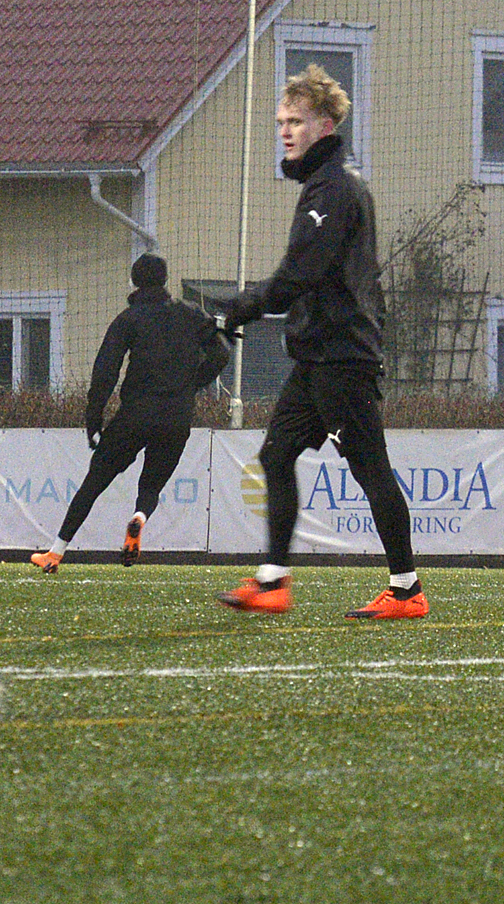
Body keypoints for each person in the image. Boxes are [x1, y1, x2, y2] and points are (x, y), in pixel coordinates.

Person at [211, 65, 427, 619]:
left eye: (296, 121)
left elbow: (298, 275)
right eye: (281, 121)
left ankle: (407, 591)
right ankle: (273, 581)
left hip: (342, 358)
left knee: (370, 468)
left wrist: (242, 305)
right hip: (318, 357)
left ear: (325, 125)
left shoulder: (334, 187)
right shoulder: (325, 182)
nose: (285, 131)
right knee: (276, 453)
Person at [31, 253, 230, 570]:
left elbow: (105, 371)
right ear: (165, 280)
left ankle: (54, 553)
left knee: (94, 482)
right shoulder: (191, 314)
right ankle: (139, 518)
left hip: (135, 415)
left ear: (134, 282)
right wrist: (191, 385)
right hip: (176, 418)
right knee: (151, 485)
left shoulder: (129, 319)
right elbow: (221, 355)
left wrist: (93, 417)